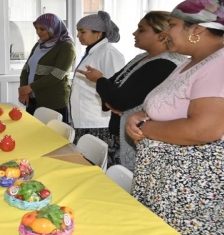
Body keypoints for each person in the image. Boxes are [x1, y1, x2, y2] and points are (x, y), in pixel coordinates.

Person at [125, 0, 224, 235]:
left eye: (171, 25)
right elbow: (174, 108)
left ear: (197, 29)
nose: (165, 32)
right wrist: (142, 116)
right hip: (174, 184)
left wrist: (145, 128)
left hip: (202, 189)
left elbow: (203, 129)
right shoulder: (191, 62)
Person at [75, 11, 184, 168]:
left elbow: (119, 98)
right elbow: (114, 85)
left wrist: (101, 82)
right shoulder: (141, 58)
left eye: (141, 30)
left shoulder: (163, 64)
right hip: (119, 131)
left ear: (161, 35)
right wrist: (111, 98)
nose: (134, 33)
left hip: (136, 137)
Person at [70, 11, 125, 150]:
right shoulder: (93, 51)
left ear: (98, 33)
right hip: (85, 119)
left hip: (98, 121)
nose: (78, 36)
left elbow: (115, 86)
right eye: (78, 31)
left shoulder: (108, 53)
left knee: (96, 166)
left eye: (82, 32)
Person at [18, 13, 76, 122]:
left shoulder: (66, 47)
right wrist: (24, 90)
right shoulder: (39, 45)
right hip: (33, 98)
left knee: (54, 136)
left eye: (42, 29)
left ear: (54, 29)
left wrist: (30, 88)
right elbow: (26, 69)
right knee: (33, 133)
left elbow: (57, 75)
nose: (38, 32)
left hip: (53, 101)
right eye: (36, 28)